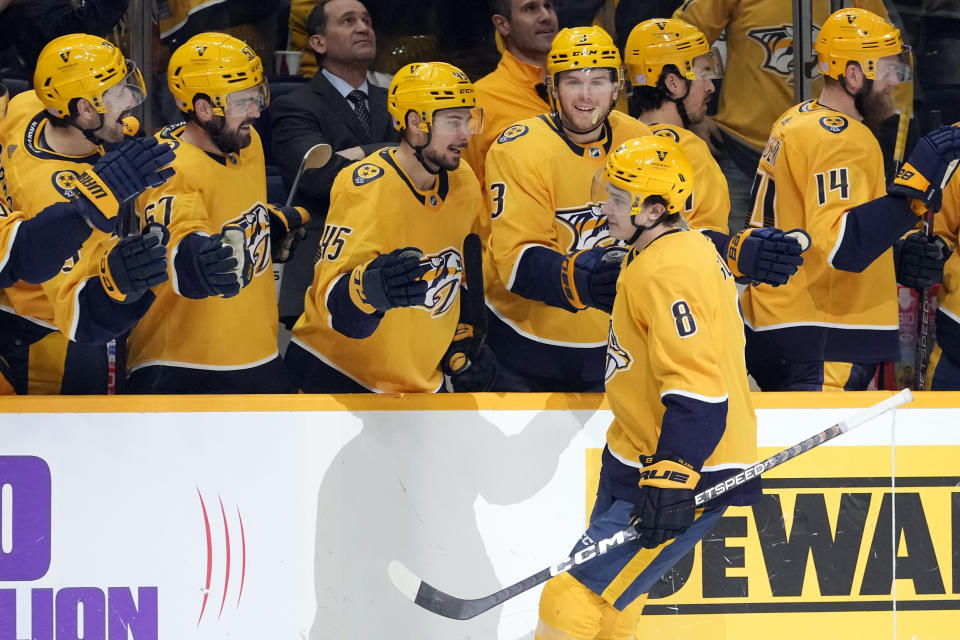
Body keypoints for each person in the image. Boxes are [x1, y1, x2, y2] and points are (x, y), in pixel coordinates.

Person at [535, 135, 760, 640]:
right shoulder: (660, 248)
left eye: (618, 199)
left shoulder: (671, 268)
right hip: (638, 452)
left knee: (571, 598)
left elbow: (698, 382)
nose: (604, 207)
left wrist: (675, 474)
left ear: (654, 208)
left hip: (684, 465)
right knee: (616, 605)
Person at [740, 8, 960, 391]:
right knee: (821, 453)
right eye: (888, 70)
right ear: (854, 74)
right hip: (823, 336)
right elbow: (843, 246)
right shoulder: (842, 138)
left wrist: (895, 252)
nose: (895, 81)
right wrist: (916, 186)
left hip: (783, 324)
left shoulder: (796, 118)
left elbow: (812, 230)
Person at [285, 61, 495, 393]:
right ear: (415, 122)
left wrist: (461, 339)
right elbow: (331, 304)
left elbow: (464, 277)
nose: (465, 134)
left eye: (468, 119)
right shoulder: (366, 186)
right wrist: (368, 291)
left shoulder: (464, 181)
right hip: (338, 378)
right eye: (453, 121)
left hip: (419, 384)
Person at [128, 32, 309, 394]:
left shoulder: (248, 141)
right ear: (204, 108)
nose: (257, 111)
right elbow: (179, 236)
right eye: (244, 101)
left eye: (258, 95)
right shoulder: (164, 164)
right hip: (181, 363)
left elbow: (228, 208)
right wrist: (197, 257)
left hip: (258, 352)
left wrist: (264, 226)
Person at [0, 36, 176, 395]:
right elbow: (82, 317)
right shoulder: (51, 193)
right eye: (115, 94)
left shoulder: (27, 106)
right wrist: (120, 287)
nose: (129, 100)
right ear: (83, 109)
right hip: (44, 344)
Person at [483, 25, 650, 392]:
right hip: (525, 349)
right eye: (573, 82)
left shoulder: (640, 142)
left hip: (619, 348)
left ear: (617, 86)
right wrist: (581, 282)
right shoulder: (518, 148)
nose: (586, 96)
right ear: (552, 87)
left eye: (599, 81)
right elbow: (515, 261)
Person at [672, 0, 893, 231]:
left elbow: (889, 52)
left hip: (826, 155)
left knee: (822, 255)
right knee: (732, 258)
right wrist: (693, 112)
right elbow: (677, 37)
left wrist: (886, 118)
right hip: (741, 150)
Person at [624, 17, 807, 287]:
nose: (710, 87)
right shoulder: (686, 149)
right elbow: (701, 240)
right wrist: (741, 251)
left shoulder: (620, 140)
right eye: (703, 74)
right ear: (673, 83)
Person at [270, 0, 399, 325]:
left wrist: (356, 154)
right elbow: (319, 177)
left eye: (366, 20)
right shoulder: (293, 106)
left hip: (396, 261)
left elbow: (425, 161)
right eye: (348, 20)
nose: (363, 27)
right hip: (321, 267)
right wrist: (395, 151)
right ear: (318, 42)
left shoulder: (397, 101)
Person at [461, 0, 558, 190]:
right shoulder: (477, 103)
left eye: (548, 6)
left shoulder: (583, 88)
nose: (546, 16)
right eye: (530, 8)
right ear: (502, 24)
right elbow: (462, 188)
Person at [926, 139, 960, 389]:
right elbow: (937, 230)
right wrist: (926, 248)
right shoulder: (955, 146)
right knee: (936, 427)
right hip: (955, 337)